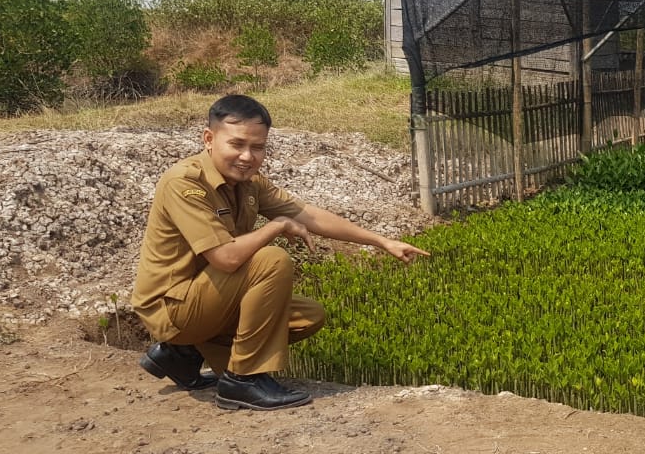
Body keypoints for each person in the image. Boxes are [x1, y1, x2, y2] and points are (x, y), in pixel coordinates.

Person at [131, 94, 427, 410]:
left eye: (257, 147)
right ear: (209, 139)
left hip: (204, 297)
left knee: (306, 316)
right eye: (237, 144)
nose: (247, 156)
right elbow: (226, 258)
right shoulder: (185, 183)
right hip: (171, 306)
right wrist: (276, 227)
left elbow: (308, 215)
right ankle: (242, 380)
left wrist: (382, 241)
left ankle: (183, 354)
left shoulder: (248, 182)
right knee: (270, 260)